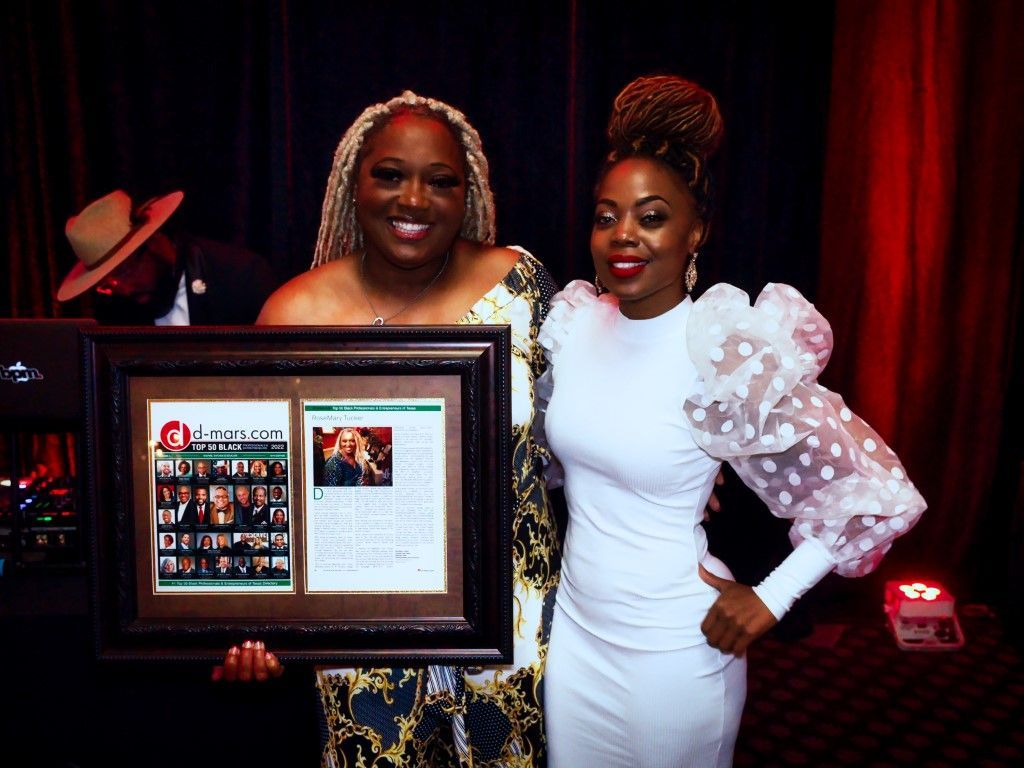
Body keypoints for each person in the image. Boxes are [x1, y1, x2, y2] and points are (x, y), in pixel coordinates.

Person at [537, 75, 928, 768]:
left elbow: (877, 491)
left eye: (652, 216)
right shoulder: (574, 326)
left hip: (675, 655)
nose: (623, 234)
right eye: (605, 215)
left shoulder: (722, 348)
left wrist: (773, 597)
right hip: (575, 640)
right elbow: (556, 461)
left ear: (696, 232)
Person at [236, 90, 561, 766]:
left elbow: (575, 422)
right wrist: (249, 626)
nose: (414, 199)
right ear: (353, 182)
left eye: (440, 181)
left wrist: (663, 459)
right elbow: (263, 498)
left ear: (466, 193)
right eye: (390, 174)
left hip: (516, 626)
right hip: (361, 634)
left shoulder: (519, 286)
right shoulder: (294, 314)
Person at [56, 189, 277, 325]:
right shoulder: (114, 311)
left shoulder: (241, 276)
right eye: (108, 284)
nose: (124, 289)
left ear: (153, 242)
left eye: (124, 271)